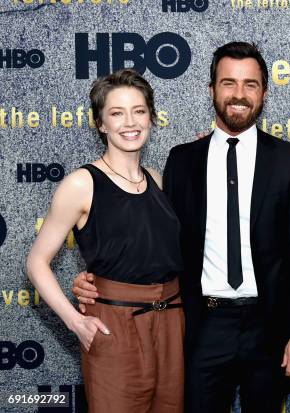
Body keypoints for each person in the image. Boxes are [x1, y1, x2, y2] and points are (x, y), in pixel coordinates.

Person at [72, 41, 290, 413]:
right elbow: (156, 241)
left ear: (264, 93)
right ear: (211, 90)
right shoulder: (182, 161)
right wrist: (97, 278)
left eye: (250, 84)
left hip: (269, 327)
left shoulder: (289, 160)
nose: (239, 94)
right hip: (201, 326)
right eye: (228, 83)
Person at [27, 69, 185, 412]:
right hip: (116, 325)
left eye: (139, 110)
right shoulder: (82, 184)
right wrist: (75, 321)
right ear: (101, 123)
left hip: (172, 323)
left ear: (151, 117)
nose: (130, 122)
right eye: (117, 113)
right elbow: (36, 262)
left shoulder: (157, 179)